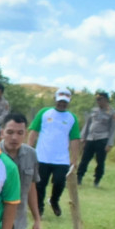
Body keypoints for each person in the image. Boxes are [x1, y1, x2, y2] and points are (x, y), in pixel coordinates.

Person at [27, 88, 80, 217]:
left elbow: (74, 139)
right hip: (42, 156)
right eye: (60, 101)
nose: (62, 104)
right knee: (40, 185)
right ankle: (39, 209)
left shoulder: (72, 118)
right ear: (55, 99)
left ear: (69, 102)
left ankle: (54, 200)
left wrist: (74, 159)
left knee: (59, 182)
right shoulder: (44, 113)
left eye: (65, 102)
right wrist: (28, 149)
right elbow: (34, 131)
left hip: (61, 159)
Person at [78, 90, 115, 188]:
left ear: (106, 100)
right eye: (97, 99)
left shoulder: (113, 113)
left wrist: (110, 144)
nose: (98, 101)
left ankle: (97, 180)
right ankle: (79, 178)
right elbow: (87, 124)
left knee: (100, 161)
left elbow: (113, 129)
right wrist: (83, 137)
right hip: (90, 138)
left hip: (102, 139)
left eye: (100, 99)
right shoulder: (94, 111)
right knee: (84, 160)